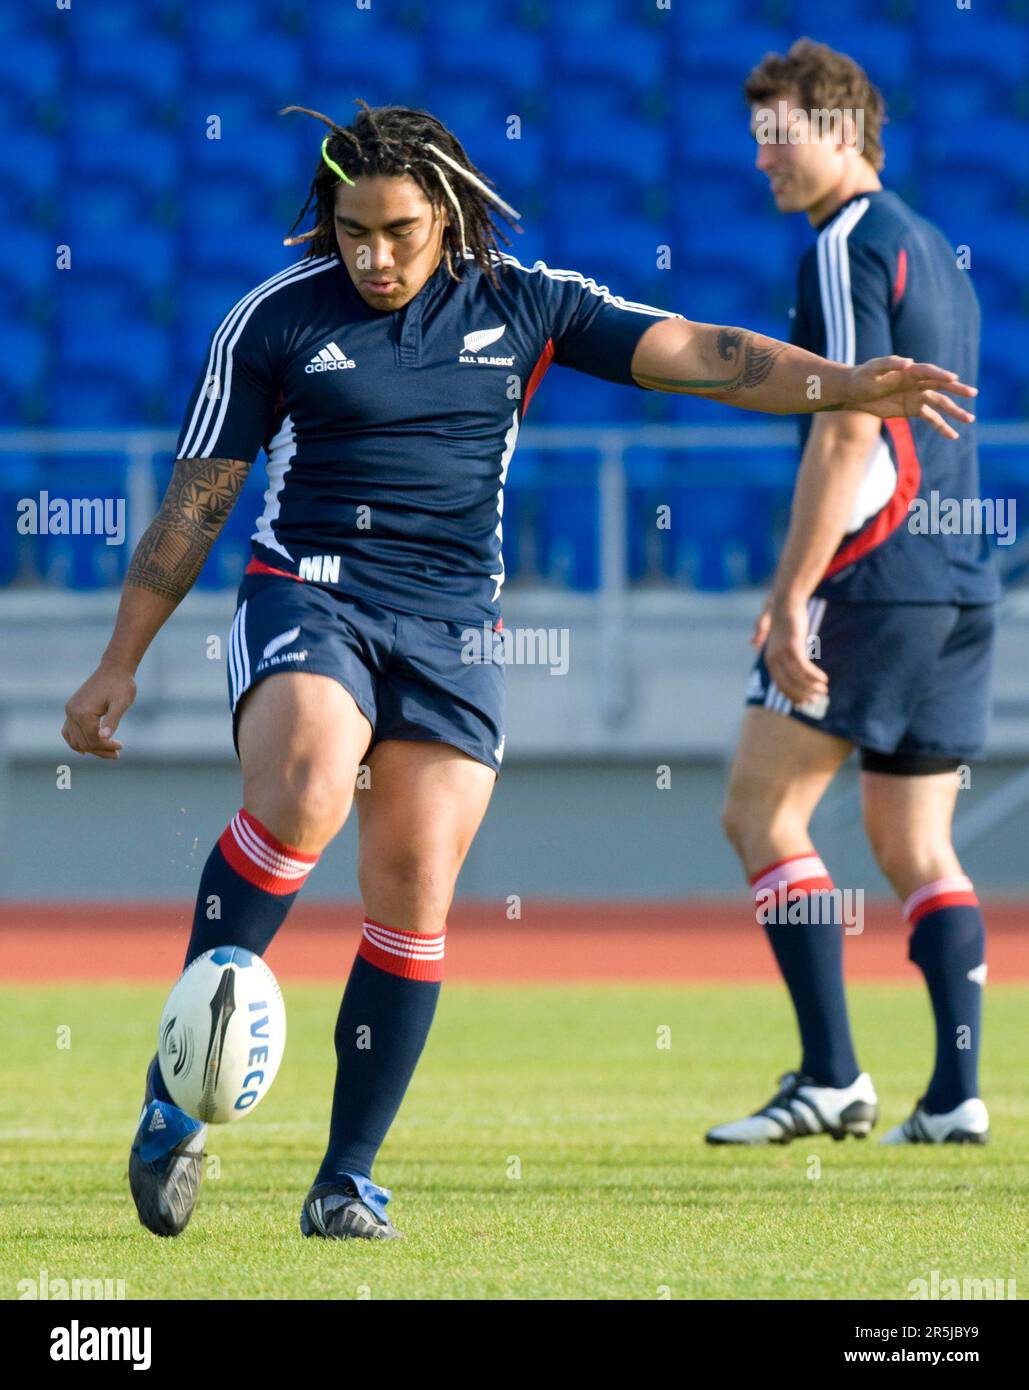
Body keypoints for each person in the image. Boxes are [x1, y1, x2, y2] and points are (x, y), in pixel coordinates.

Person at [61, 99, 977, 1239]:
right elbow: (198, 501)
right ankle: (177, 1094)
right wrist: (119, 661)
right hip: (311, 588)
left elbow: (704, 353)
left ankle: (345, 1178)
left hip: (450, 624)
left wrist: (839, 385)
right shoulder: (274, 320)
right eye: (352, 230)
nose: (374, 254)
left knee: (416, 883)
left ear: (445, 214)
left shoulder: (526, 301)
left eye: (397, 229)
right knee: (301, 790)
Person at [709, 41, 999, 1147]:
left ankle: (831, 1074)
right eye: (755, 141)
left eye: (779, 137)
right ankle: (956, 1093)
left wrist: (791, 595)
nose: (763, 161)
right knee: (915, 843)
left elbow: (848, 427)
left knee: (760, 811)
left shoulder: (846, 245)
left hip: (874, 578)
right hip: (959, 587)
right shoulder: (935, 246)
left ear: (840, 130)